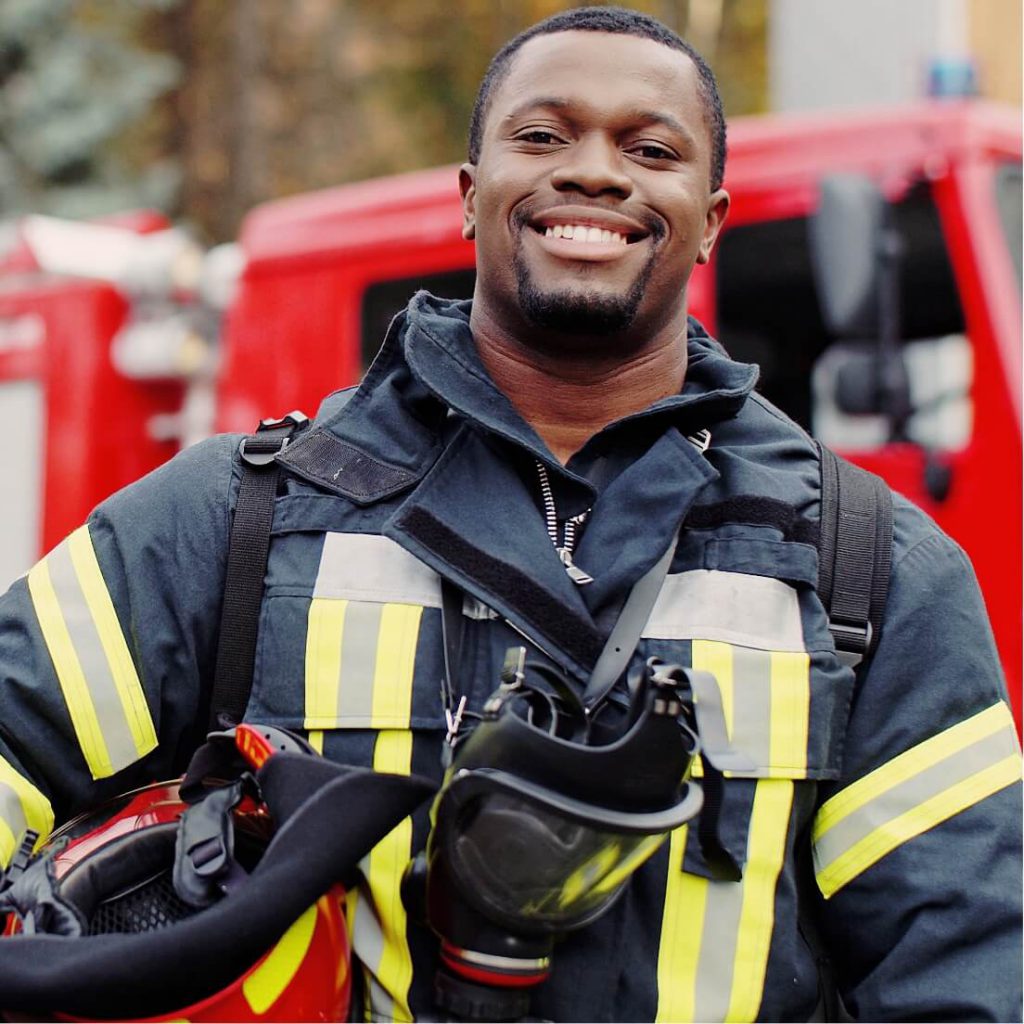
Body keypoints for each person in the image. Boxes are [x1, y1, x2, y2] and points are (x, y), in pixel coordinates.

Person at [0, 6, 1020, 1021]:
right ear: (470, 192)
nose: (592, 171)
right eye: (541, 135)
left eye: (649, 147)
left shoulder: (868, 568)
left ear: (711, 218)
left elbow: (968, 963)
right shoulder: (236, 519)